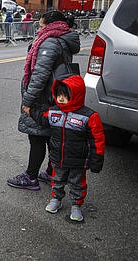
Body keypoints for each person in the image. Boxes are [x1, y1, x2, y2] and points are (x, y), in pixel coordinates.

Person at [7, 10, 80, 191]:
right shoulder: (63, 39)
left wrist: (28, 100)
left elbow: (40, 75)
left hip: (44, 98)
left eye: (41, 26)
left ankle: (31, 177)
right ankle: (51, 172)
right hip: (56, 96)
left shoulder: (50, 42)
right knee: (49, 134)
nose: (38, 29)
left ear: (51, 25)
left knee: (37, 136)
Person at [27, 75, 105, 221]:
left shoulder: (89, 116)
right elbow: (42, 119)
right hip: (57, 158)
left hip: (78, 160)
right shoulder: (54, 112)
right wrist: (30, 111)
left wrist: (96, 160)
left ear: (76, 95)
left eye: (65, 95)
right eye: (59, 95)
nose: (61, 98)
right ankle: (56, 199)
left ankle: (76, 205)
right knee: (57, 180)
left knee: (77, 183)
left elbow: (97, 140)